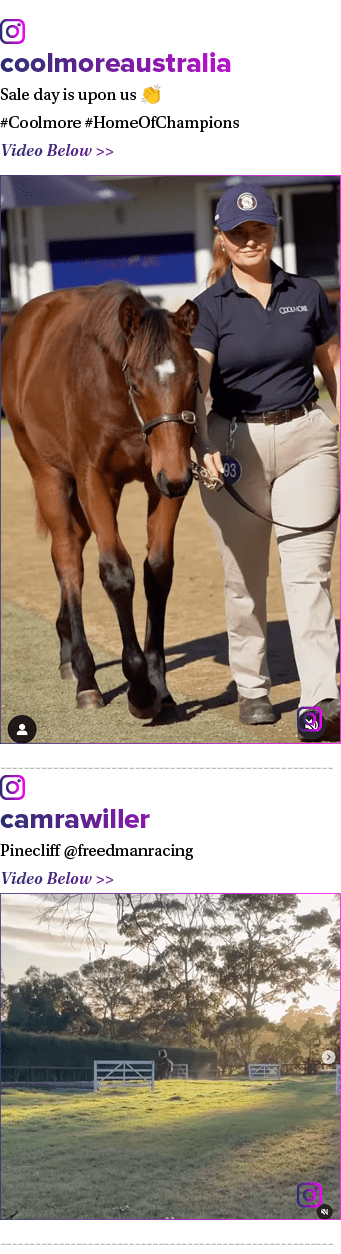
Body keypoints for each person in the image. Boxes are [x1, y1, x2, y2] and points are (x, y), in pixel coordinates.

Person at [191, 183, 340, 741]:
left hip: (307, 442)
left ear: (273, 231)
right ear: (222, 239)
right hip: (233, 450)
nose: (250, 239)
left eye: (260, 229)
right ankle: (252, 686)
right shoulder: (207, 308)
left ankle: (320, 700)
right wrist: (201, 441)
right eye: (239, 232)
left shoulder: (307, 293)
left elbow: (331, 362)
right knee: (245, 581)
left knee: (309, 577)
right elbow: (198, 380)